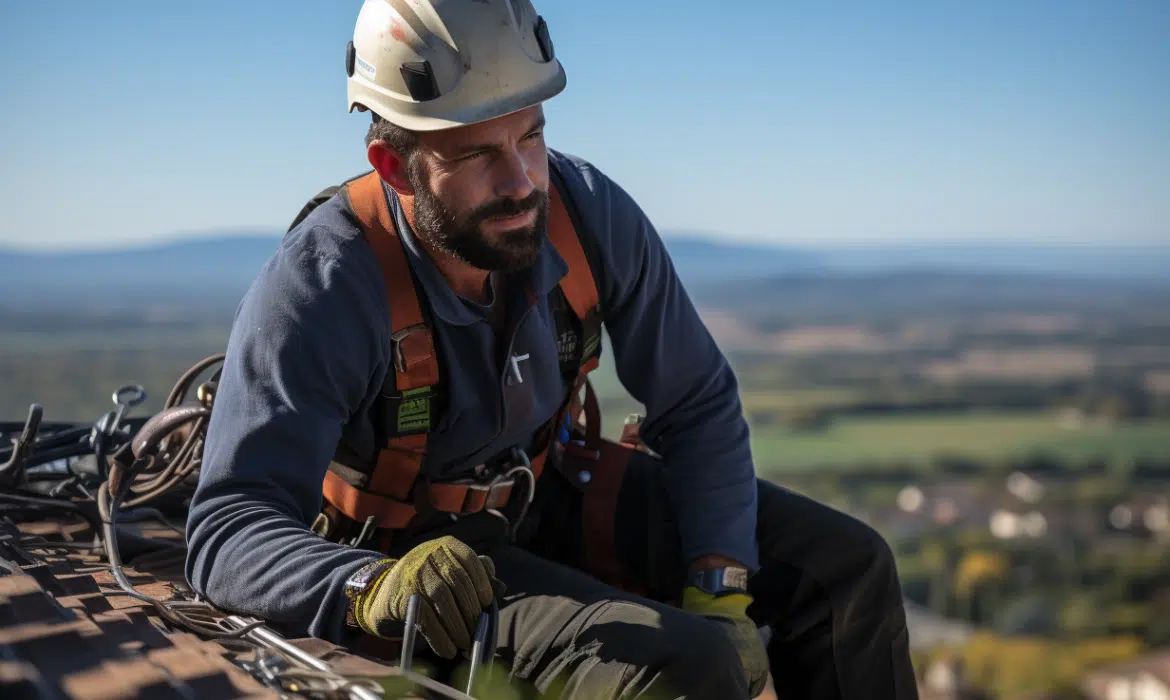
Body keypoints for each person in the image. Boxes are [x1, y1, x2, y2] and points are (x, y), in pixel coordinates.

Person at [184, 1, 918, 697]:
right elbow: (228, 529)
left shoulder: (586, 213)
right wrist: (366, 588)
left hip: (550, 493)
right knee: (687, 673)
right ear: (394, 166)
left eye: (529, 135)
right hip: (418, 563)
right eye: (476, 154)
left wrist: (719, 586)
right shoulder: (326, 283)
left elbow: (696, 403)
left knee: (847, 572)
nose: (521, 181)